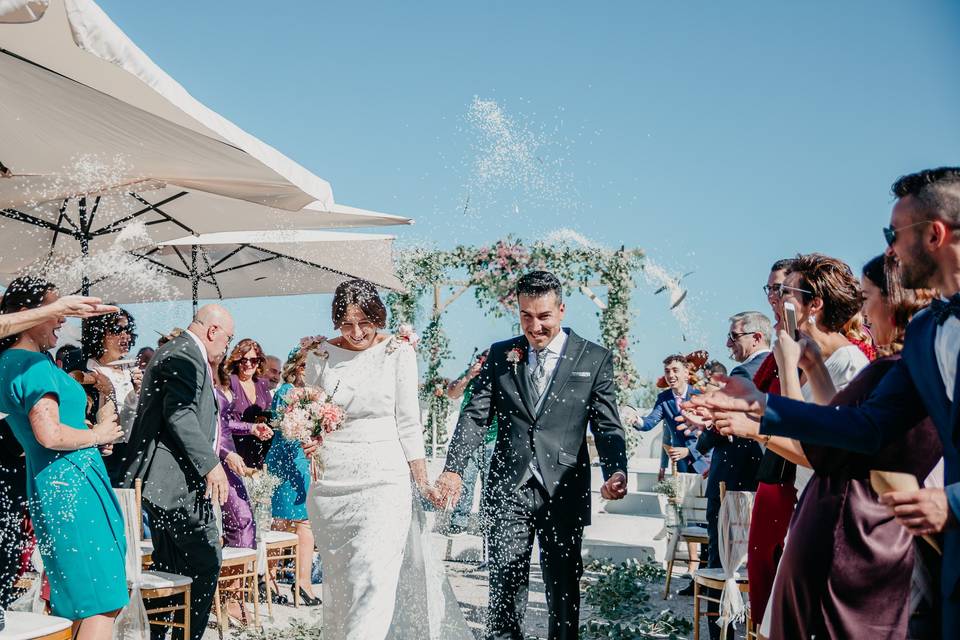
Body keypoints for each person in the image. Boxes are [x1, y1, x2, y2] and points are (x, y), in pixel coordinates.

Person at [689, 167, 960, 632]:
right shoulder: (927, 332)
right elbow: (867, 426)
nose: (889, 250)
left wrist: (953, 503)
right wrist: (760, 407)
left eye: (894, 234)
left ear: (935, 234)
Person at [436, 270, 628, 640]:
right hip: (508, 489)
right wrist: (454, 469)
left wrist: (616, 470)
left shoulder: (594, 357)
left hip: (564, 489)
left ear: (561, 309)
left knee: (563, 590)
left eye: (544, 316)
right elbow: (475, 416)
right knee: (504, 589)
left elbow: (606, 424)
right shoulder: (500, 354)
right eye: (526, 316)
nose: (535, 326)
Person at [757, 255, 942, 638]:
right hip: (840, 527)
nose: (863, 309)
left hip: (851, 535)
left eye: (868, 296)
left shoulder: (891, 370)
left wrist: (763, 409)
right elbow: (838, 424)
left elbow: (824, 446)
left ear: (893, 301)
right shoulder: (897, 368)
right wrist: (812, 368)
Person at [302, 279, 472, 639]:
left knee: (374, 580)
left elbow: (409, 423)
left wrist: (423, 480)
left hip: (384, 480)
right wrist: (307, 439)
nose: (357, 331)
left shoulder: (398, 351)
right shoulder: (318, 356)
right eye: (346, 323)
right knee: (343, 586)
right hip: (332, 484)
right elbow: (310, 415)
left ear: (377, 315)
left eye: (364, 321)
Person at [0, 277, 126, 639]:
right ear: (29, 313)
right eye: (55, 311)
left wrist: (87, 434)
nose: (62, 320)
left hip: (55, 483)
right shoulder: (31, 365)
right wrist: (97, 435)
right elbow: (50, 434)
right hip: (72, 488)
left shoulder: (11, 362)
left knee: (77, 599)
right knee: (102, 600)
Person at [117, 304, 233, 640]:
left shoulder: (180, 351)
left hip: (165, 484)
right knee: (206, 560)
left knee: (172, 571)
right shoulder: (184, 354)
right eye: (228, 338)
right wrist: (212, 465)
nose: (226, 347)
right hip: (172, 485)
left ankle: (160, 635)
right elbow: (179, 415)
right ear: (213, 331)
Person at [696, 312, 767, 639]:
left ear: (757, 338)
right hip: (762, 479)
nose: (727, 343)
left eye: (734, 336)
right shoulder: (778, 370)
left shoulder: (744, 373)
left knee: (720, 560)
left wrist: (702, 440)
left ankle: (720, 634)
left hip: (732, 481)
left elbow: (718, 423)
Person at [266, 342, 320, 606]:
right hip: (287, 460)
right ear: (298, 368)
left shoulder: (313, 394)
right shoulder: (287, 391)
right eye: (308, 366)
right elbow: (285, 428)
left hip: (301, 460)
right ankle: (274, 580)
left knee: (302, 522)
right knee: (284, 522)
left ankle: (299, 582)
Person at [81, 309, 143, 475]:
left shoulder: (131, 370)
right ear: (99, 334)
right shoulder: (85, 370)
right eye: (117, 330)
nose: (125, 336)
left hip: (132, 453)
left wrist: (139, 392)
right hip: (102, 456)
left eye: (128, 330)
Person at [213, 358, 256, 551]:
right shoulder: (201, 376)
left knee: (243, 518)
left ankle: (243, 577)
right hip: (216, 458)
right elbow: (207, 426)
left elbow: (225, 423)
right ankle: (237, 579)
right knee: (240, 519)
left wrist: (251, 428)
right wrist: (225, 453)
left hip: (230, 456)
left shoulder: (221, 377)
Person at [445, 350, 488, 535]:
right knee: (466, 479)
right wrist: (468, 376)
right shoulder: (470, 375)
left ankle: (487, 524)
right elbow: (452, 393)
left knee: (491, 484)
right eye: (481, 360)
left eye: (485, 360)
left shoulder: (502, 374)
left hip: (493, 437)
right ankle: (459, 521)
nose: (482, 363)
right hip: (469, 438)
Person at [222, 339, 275, 472]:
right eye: (243, 360)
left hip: (257, 453)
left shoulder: (263, 384)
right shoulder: (229, 382)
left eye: (253, 360)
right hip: (233, 452)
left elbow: (269, 416)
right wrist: (250, 428)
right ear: (236, 360)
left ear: (259, 362)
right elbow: (221, 422)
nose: (248, 364)